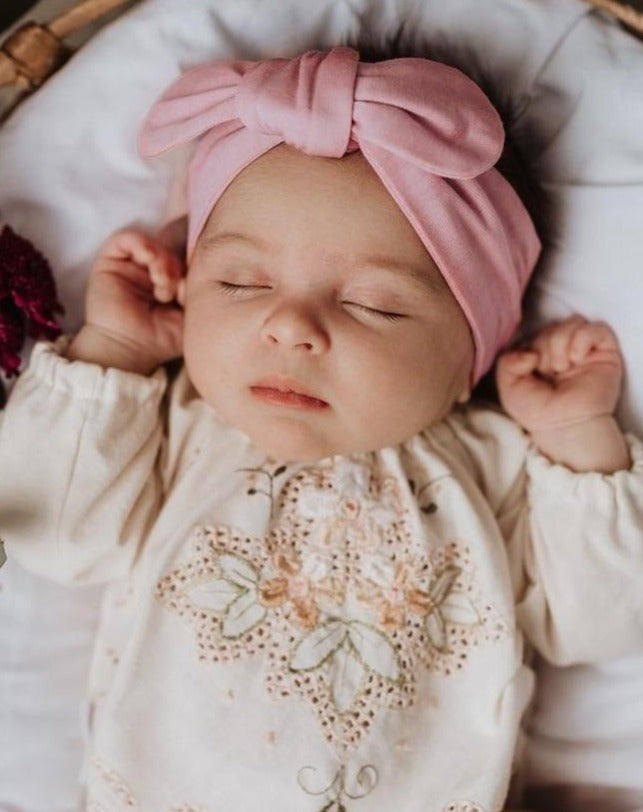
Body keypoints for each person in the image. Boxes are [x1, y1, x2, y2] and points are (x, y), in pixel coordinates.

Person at [0, 47, 642, 812]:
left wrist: (578, 439)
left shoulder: (492, 462)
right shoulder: (171, 426)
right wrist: (116, 351)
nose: (290, 326)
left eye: (374, 303)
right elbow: (52, 530)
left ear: (471, 354)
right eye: (241, 282)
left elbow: (598, 624)